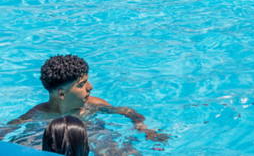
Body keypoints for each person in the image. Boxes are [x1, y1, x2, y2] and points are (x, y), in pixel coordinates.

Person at [8, 55, 166, 143]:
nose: (90, 87)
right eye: (82, 84)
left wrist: (143, 127)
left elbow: (129, 112)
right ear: (61, 94)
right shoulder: (37, 114)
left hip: (96, 134)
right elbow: (6, 130)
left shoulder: (93, 105)